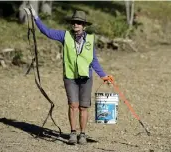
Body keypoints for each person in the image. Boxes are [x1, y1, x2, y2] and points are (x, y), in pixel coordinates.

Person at [27, 6, 114, 145]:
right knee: (73, 105)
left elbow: (94, 60)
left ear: (84, 25)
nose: (75, 25)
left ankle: (83, 134)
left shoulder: (91, 40)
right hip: (70, 77)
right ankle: (73, 133)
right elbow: (47, 32)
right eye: (74, 22)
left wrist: (103, 76)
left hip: (86, 78)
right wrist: (35, 17)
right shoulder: (64, 36)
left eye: (79, 23)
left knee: (83, 107)